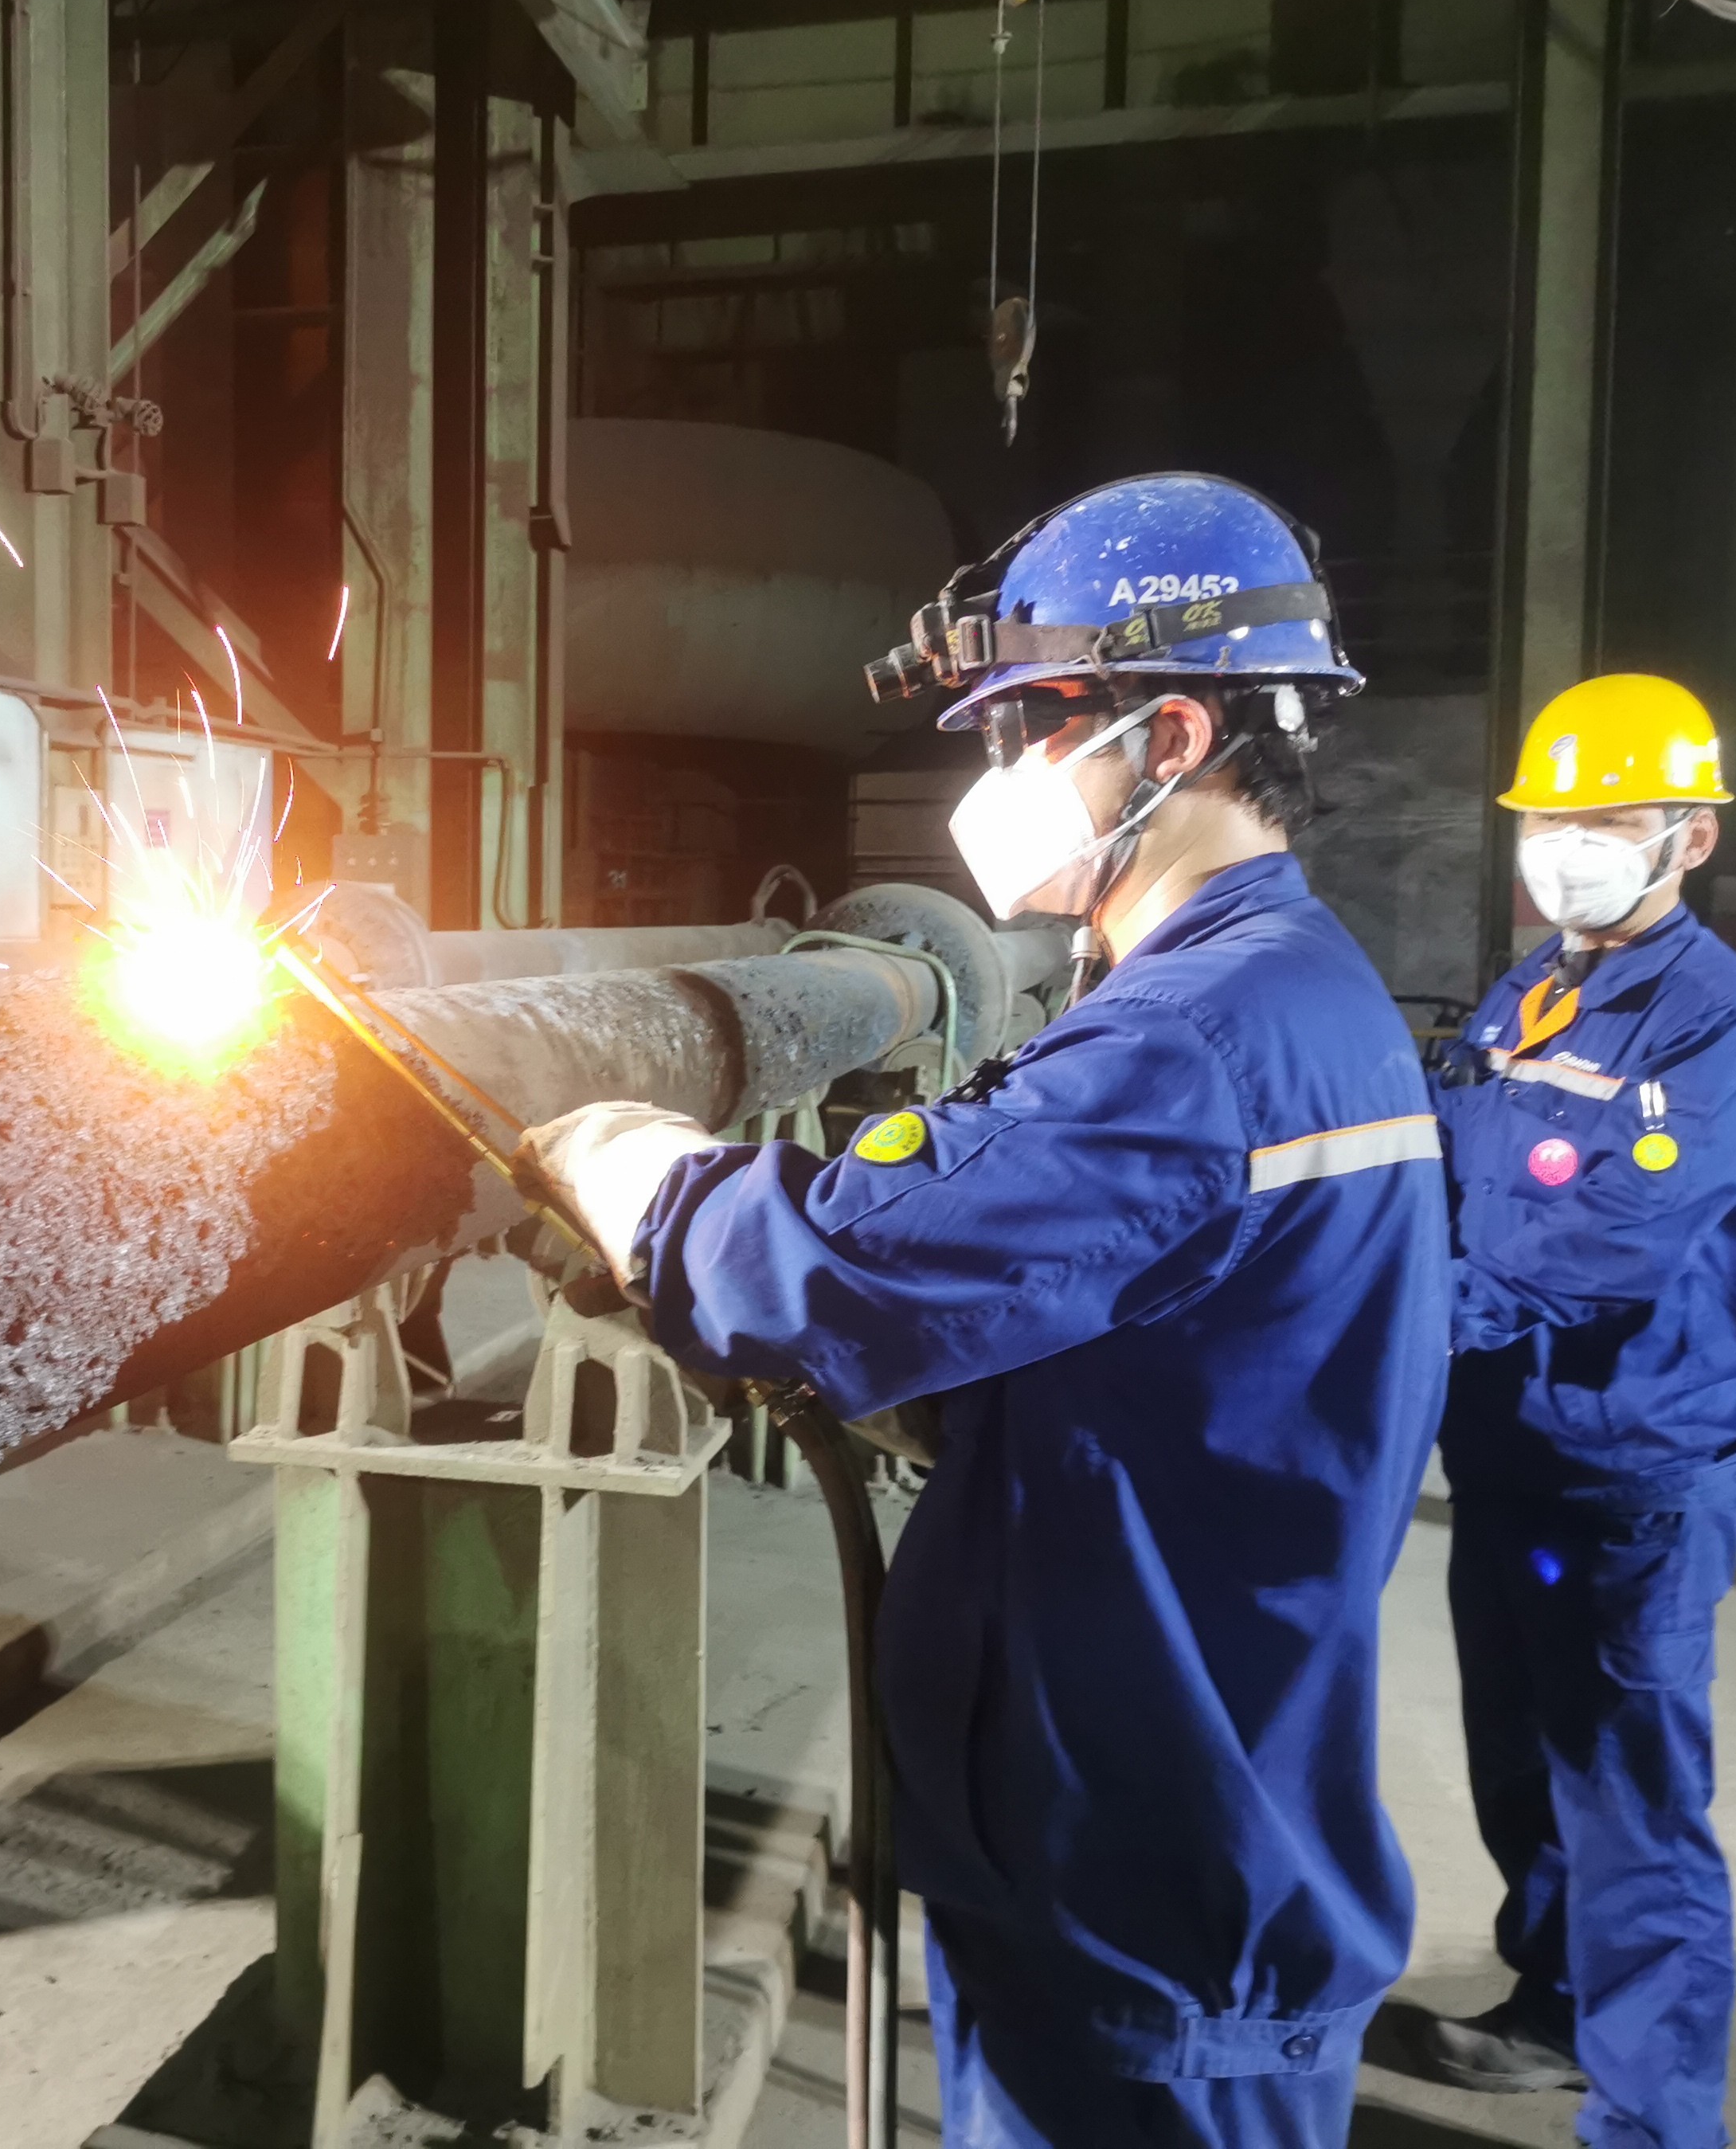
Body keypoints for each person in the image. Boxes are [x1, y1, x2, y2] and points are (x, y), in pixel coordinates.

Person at [522, 473, 1450, 2149]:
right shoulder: (1278, 990)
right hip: (1166, 1792)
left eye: (1027, 728)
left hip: (1147, 1860)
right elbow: (1145, 1333)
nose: (993, 775)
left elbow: (832, 1274)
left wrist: (632, 1170)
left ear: (1172, 739)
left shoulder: (1196, 1038)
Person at [1417, 674, 1736, 2149]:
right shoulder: (1533, 990)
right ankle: (1559, 2009)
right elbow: (1449, 1174)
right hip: (1508, 1452)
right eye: (1549, 819)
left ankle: (1655, 2121)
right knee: (1521, 1764)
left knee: (1632, 1799)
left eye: (1610, 819)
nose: (1567, 847)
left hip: (1633, 1469)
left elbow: (1604, 1245)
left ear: (1691, 838)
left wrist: (1399, 1322)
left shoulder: (1718, 1022)